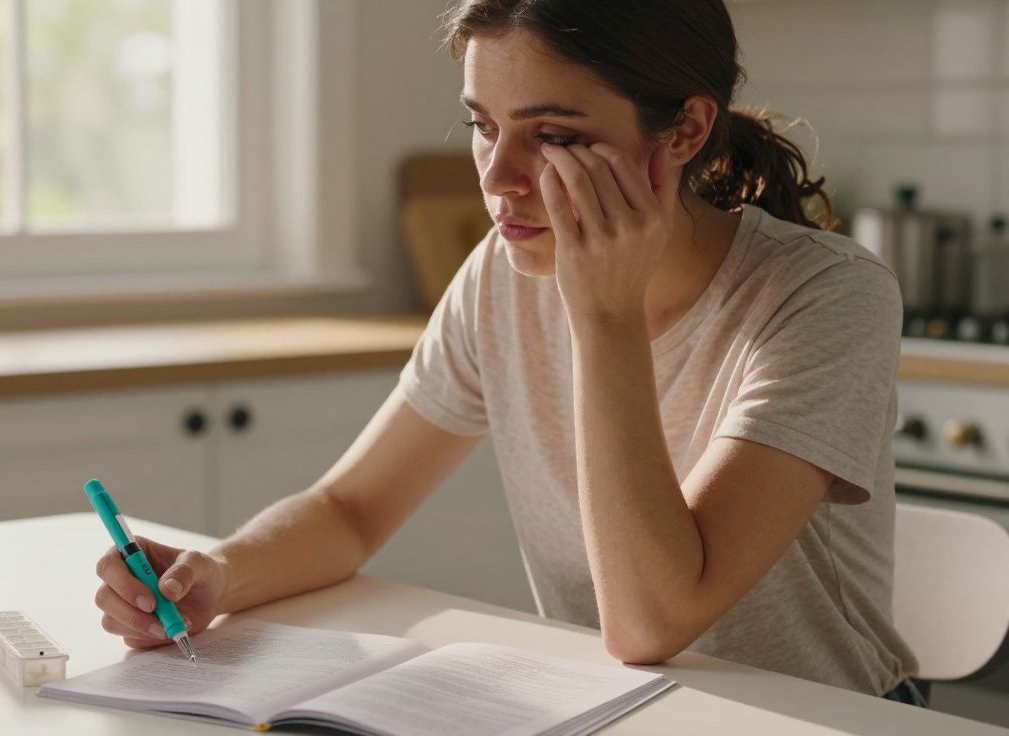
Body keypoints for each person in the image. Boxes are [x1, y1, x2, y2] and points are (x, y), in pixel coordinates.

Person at [95, 0, 924, 704]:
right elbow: (351, 510)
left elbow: (651, 622)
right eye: (482, 126)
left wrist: (602, 315)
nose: (497, 177)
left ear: (684, 132)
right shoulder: (503, 272)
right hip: (618, 710)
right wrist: (217, 575)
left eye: (554, 136)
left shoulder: (827, 297)